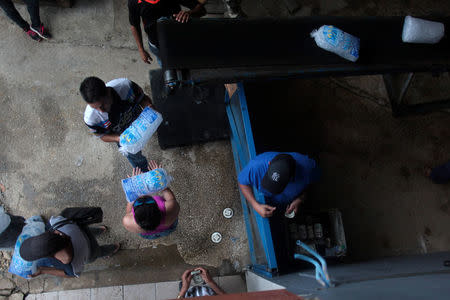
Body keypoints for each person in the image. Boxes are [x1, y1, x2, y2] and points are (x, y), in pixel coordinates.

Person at [80, 76, 154, 172]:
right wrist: (119, 139)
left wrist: (151, 110)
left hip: (140, 120)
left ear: (108, 92)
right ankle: (144, 170)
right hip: (124, 136)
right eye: (95, 108)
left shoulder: (126, 86)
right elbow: (102, 136)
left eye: (102, 105)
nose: (101, 111)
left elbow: (143, 99)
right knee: (135, 157)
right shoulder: (91, 119)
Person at [19, 216, 120, 278]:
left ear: (48, 255)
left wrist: (43, 270)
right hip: (81, 231)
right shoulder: (54, 224)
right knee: (86, 232)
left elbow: (69, 275)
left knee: (98, 252)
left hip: (89, 252)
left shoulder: (72, 265)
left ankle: (112, 248)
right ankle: (100, 230)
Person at [238, 152, 320, 218]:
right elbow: (242, 182)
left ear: (291, 178)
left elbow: (310, 187)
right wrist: (255, 205)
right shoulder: (255, 166)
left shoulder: (308, 168)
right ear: (269, 164)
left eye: (279, 185)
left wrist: (299, 199)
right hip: (270, 203)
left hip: (286, 204)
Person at [128, 0, 207, 65]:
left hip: (181, 43)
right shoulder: (133, 1)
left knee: (188, 69)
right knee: (168, 72)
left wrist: (189, 13)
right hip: (157, 46)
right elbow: (134, 25)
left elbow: (201, 10)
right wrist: (141, 49)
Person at [122, 160, 180, 239]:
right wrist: (160, 178)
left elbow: (129, 210)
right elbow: (168, 194)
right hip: (167, 228)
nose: (143, 196)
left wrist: (135, 188)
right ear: (158, 208)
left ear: (134, 215)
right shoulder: (171, 207)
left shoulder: (128, 221)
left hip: (147, 234)